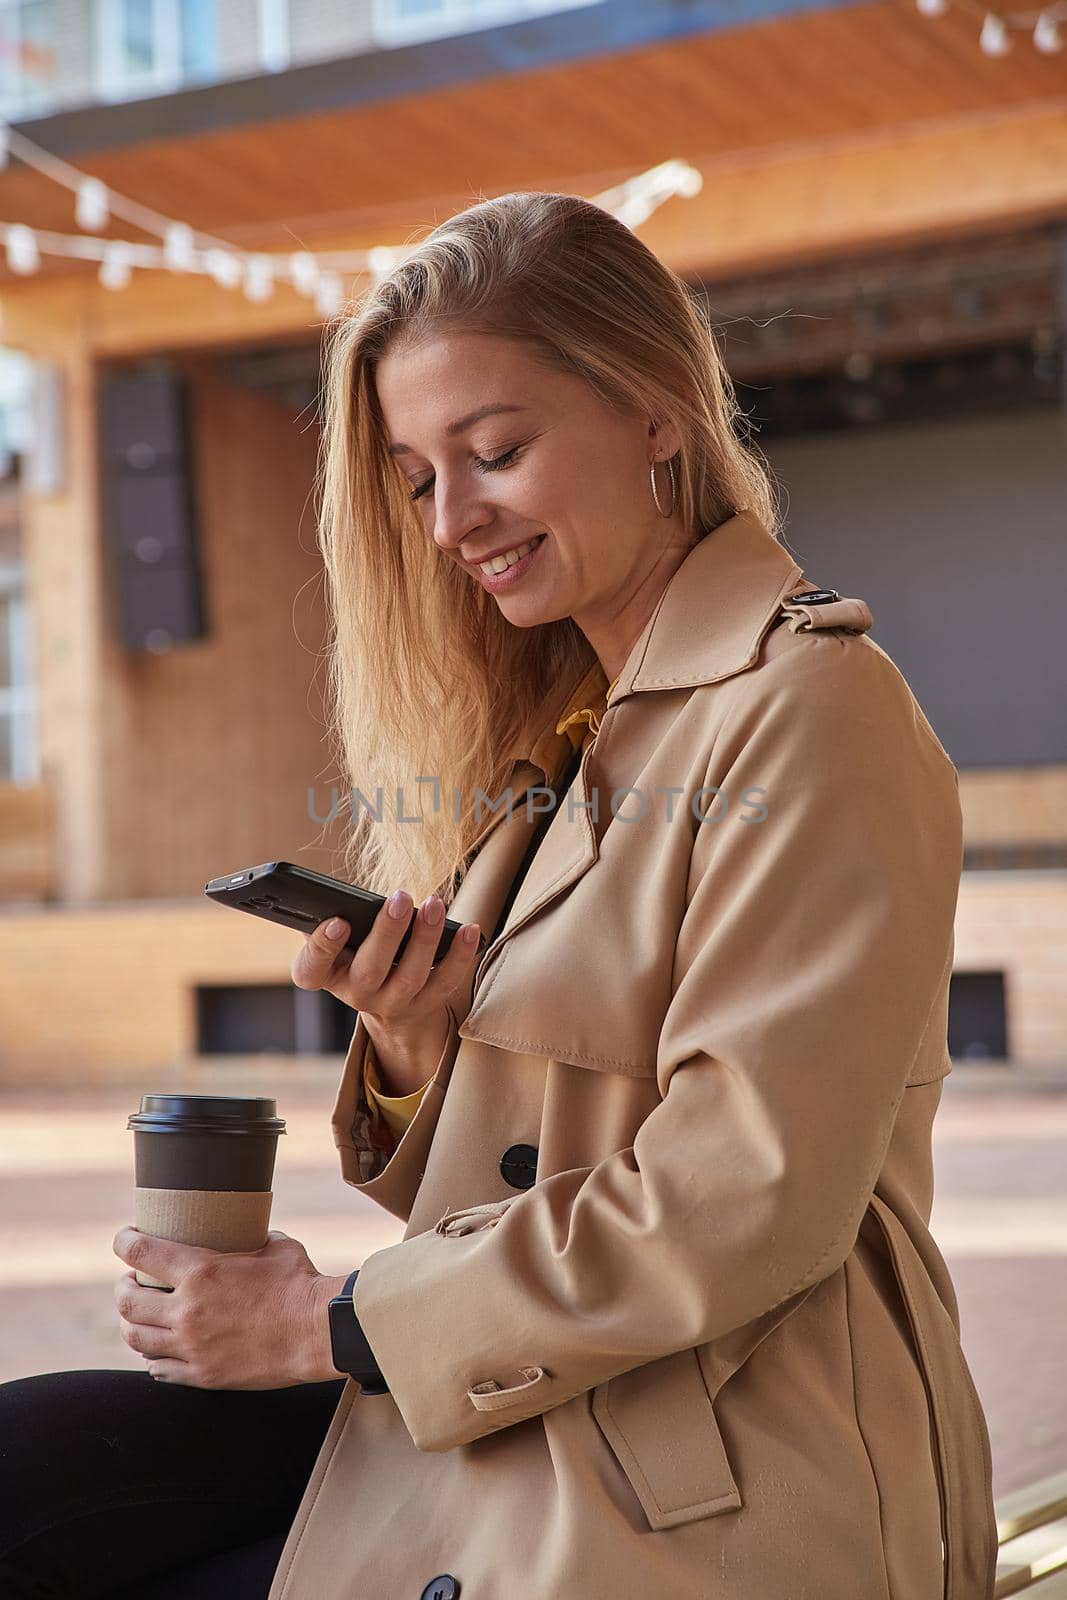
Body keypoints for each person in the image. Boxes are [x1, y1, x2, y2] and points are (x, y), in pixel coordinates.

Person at [0, 190, 998, 1600]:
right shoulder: (561, 744)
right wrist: (415, 1051)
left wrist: (324, 1323)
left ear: (657, 409)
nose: (455, 520)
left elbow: (741, 1197)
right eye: (418, 478)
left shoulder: (810, 705)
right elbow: (528, 1161)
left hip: (724, 1444)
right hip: (549, 1384)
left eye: (498, 451)